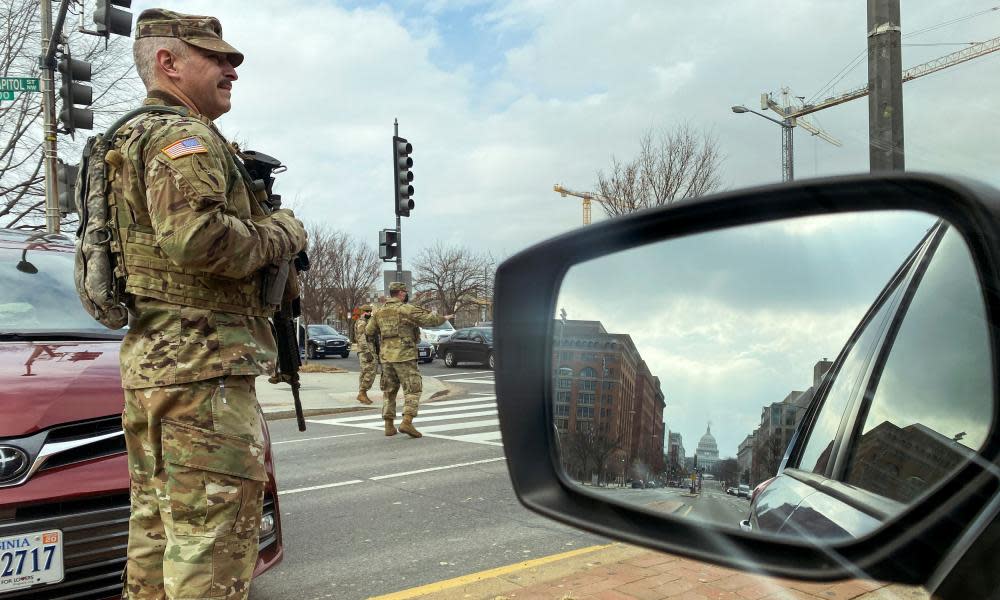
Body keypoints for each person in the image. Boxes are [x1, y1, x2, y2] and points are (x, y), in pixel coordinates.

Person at [117, 9, 307, 599]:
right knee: (212, 547)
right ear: (168, 63)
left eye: (232, 59)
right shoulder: (185, 137)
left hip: (157, 365)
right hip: (202, 368)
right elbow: (198, 240)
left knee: (158, 533)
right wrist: (284, 231)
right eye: (216, 57)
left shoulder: (127, 137)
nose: (232, 68)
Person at [366, 282, 453, 437]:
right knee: (413, 388)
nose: (405, 294)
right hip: (404, 355)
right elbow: (428, 320)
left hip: (386, 357)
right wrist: (443, 318)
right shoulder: (406, 309)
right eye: (404, 292)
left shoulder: (379, 311)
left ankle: (389, 426)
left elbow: (369, 330)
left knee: (389, 390)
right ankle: (407, 422)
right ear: (400, 293)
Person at [355, 304, 376, 404]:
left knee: (365, 372)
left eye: (369, 311)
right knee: (370, 371)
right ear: (362, 312)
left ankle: (362, 394)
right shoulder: (362, 322)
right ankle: (362, 392)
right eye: (366, 311)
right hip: (365, 350)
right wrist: (367, 352)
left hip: (369, 348)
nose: (368, 313)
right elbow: (361, 337)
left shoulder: (368, 321)